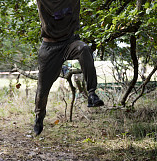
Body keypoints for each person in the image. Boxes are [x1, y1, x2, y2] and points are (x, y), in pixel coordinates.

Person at [34, 0, 104, 136]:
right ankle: (39, 116)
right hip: (49, 47)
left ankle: (92, 94)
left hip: (69, 42)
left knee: (83, 48)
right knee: (42, 87)